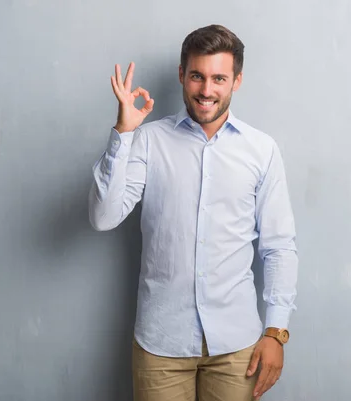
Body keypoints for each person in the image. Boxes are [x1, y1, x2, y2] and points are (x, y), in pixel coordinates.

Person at [88, 24, 298, 401]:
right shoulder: (149, 140)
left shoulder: (261, 150)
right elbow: (103, 217)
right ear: (181, 75)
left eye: (219, 78)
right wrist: (123, 132)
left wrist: (276, 332)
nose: (206, 90)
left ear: (236, 80)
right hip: (161, 345)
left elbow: (279, 247)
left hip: (237, 348)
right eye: (197, 76)